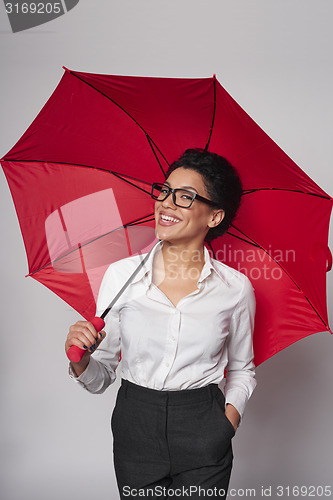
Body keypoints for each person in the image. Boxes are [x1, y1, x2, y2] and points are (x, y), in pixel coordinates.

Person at [65, 148, 257, 500]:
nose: (166, 203)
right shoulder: (121, 276)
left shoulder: (235, 289)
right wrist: (80, 361)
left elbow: (243, 369)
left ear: (214, 216)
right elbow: (101, 378)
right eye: (165, 191)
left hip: (204, 424)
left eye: (185, 197)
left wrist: (226, 423)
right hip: (135, 425)